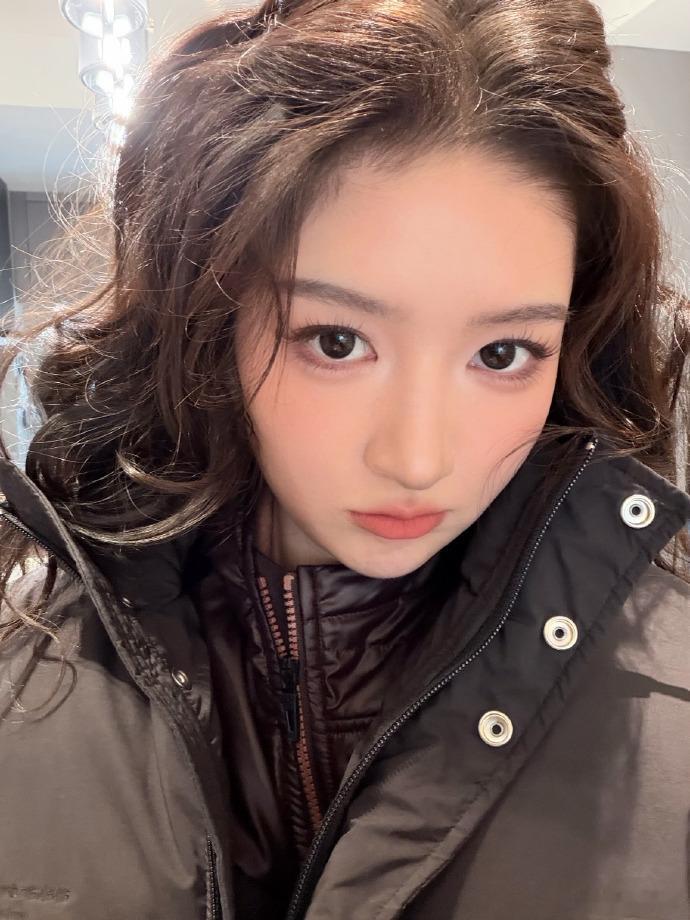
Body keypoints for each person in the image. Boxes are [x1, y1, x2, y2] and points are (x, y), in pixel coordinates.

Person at [0, 0, 688, 917]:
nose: (417, 459)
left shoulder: (672, 702)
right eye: (335, 341)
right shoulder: (23, 666)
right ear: (209, 325)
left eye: (502, 353)